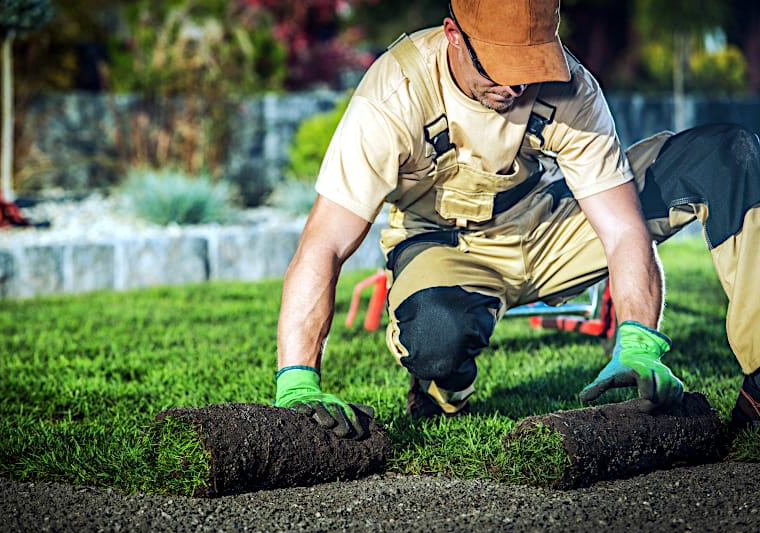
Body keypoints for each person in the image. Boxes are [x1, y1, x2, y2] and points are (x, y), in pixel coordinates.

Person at [273, 0, 760, 439]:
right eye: (501, 67)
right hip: (447, 246)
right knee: (436, 339)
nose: (514, 86)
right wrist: (297, 379)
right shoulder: (394, 93)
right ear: (452, 35)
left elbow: (622, 229)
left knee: (726, 154)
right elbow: (325, 244)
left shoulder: (573, 88)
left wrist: (636, 340)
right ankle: (443, 388)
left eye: (528, 66)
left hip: (548, 223)